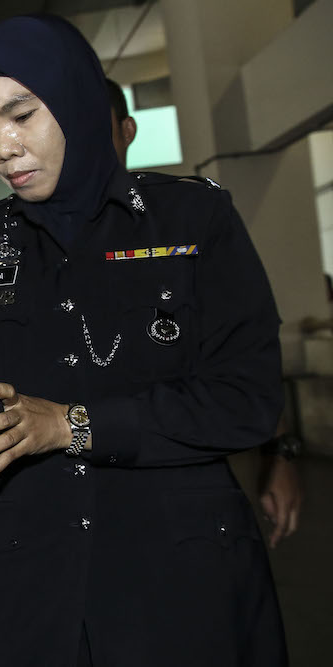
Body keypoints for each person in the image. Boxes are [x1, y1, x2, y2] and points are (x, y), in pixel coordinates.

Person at [0, 15, 287, 666]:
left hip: (178, 585)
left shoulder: (193, 221)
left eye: (21, 115)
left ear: (77, 100)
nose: (3, 147)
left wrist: (75, 425)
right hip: (22, 590)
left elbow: (249, 398)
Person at [109, 75, 304, 548]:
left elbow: (243, 352)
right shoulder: (35, 240)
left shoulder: (190, 220)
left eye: (99, 125)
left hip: (185, 487)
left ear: (128, 130)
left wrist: (281, 454)